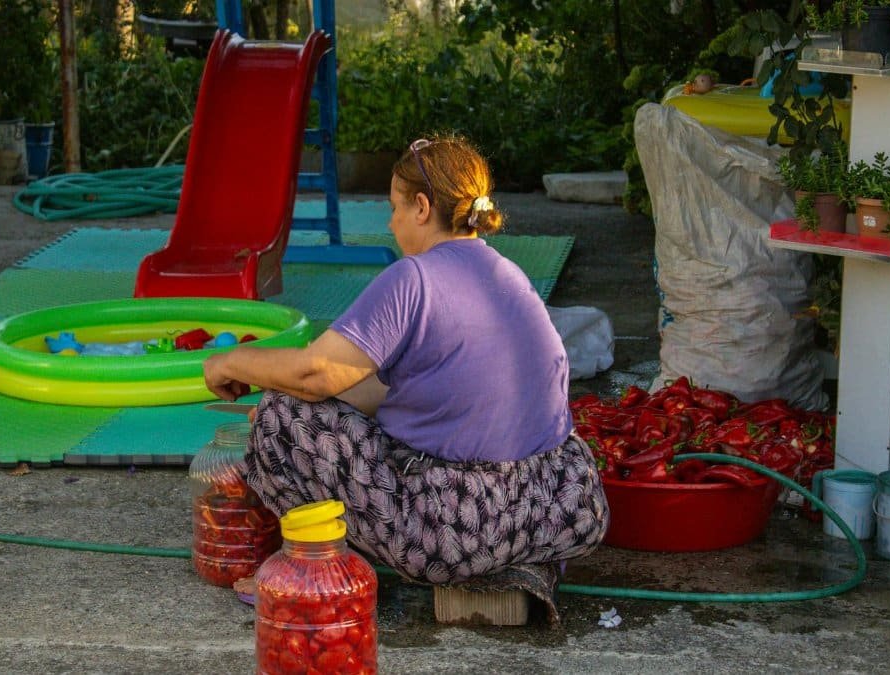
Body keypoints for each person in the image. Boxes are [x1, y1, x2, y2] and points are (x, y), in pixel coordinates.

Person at [202, 134, 608, 619]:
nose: (391, 223)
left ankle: (315, 568)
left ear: (421, 207)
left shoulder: (413, 278)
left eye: (394, 207)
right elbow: (388, 387)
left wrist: (229, 363)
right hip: (560, 504)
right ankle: (522, 562)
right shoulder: (509, 275)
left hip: (456, 530)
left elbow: (316, 373)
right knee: (327, 401)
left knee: (282, 415)